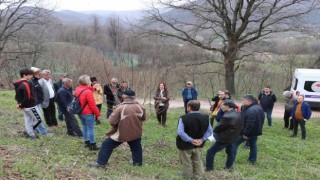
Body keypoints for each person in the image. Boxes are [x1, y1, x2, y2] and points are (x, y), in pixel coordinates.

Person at [88, 89, 147, 168]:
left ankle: (101, 163)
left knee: (106, 145)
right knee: (136, 147)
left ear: (124, 96)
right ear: (134, 97)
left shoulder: (120, 108)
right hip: (136, 131)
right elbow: (143, 118)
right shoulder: (140, 107)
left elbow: (112, 122)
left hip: (122, 132)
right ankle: (137, 164)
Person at [176, 100, 213, 179]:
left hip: (185, 145)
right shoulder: (205, 117)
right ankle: (199, 177)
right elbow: (210, 131)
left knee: (187, 162)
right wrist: (201, 140)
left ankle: (188, 177)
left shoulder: (183, 118)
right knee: (198, 161)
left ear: (189, 107)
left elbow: (180, 132)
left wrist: (191, 140)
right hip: (199, 144)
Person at [205, 100, 243, 171]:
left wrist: (214, 132)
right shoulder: (238, 113)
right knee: (230, 152)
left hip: (224, 138)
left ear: (227, 106)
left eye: (222, 105)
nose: (221, 107)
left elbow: (218, 128)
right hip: (233, 137)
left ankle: (209, 169)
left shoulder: (227, 116)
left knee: (210, 151)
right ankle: (229, 167)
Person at [233, 94, 264, 165]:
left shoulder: (251, 110)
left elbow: (250, 124)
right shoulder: (258, 107)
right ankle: (252, 160)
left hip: (248, 132)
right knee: (253, 144)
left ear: (249, 101)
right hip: (255, 131)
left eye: (244, 100)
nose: (242, 101)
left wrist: (245, 133)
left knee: (233, 144)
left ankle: (230, 161)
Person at [14, 68, 44, 139]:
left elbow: (17, 96)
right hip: (30, 106)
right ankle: (29, 131)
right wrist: (21, 105)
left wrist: (20, 104)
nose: (31, 76)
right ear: (24, 75)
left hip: (25, 106)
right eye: (30, 75)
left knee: (28, 120)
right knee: (39, 120)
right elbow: (28, 97)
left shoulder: (17, 83)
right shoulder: (25, 84)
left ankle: (31, 135)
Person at [75, 75, 101, 150]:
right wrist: (98, 115)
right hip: (88, 113)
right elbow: (92, 105)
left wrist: (93, 87)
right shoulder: (88, 92)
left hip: (80, 111)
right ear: (87, 82)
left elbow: (85, 90)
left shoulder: (77, 89)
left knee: (84, 127)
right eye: (89, 80)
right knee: (90, 128)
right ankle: (93, 145)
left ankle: (87, 142)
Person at [30, 67, 54, 137]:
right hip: (35, 103)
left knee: (36, 118)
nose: (40, 74)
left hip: (38, 102)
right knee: (39, 118)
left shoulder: (36, 80)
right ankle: (44, 132)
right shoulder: (32, 81)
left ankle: (36, 129)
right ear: (34, 74)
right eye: (38, 73)